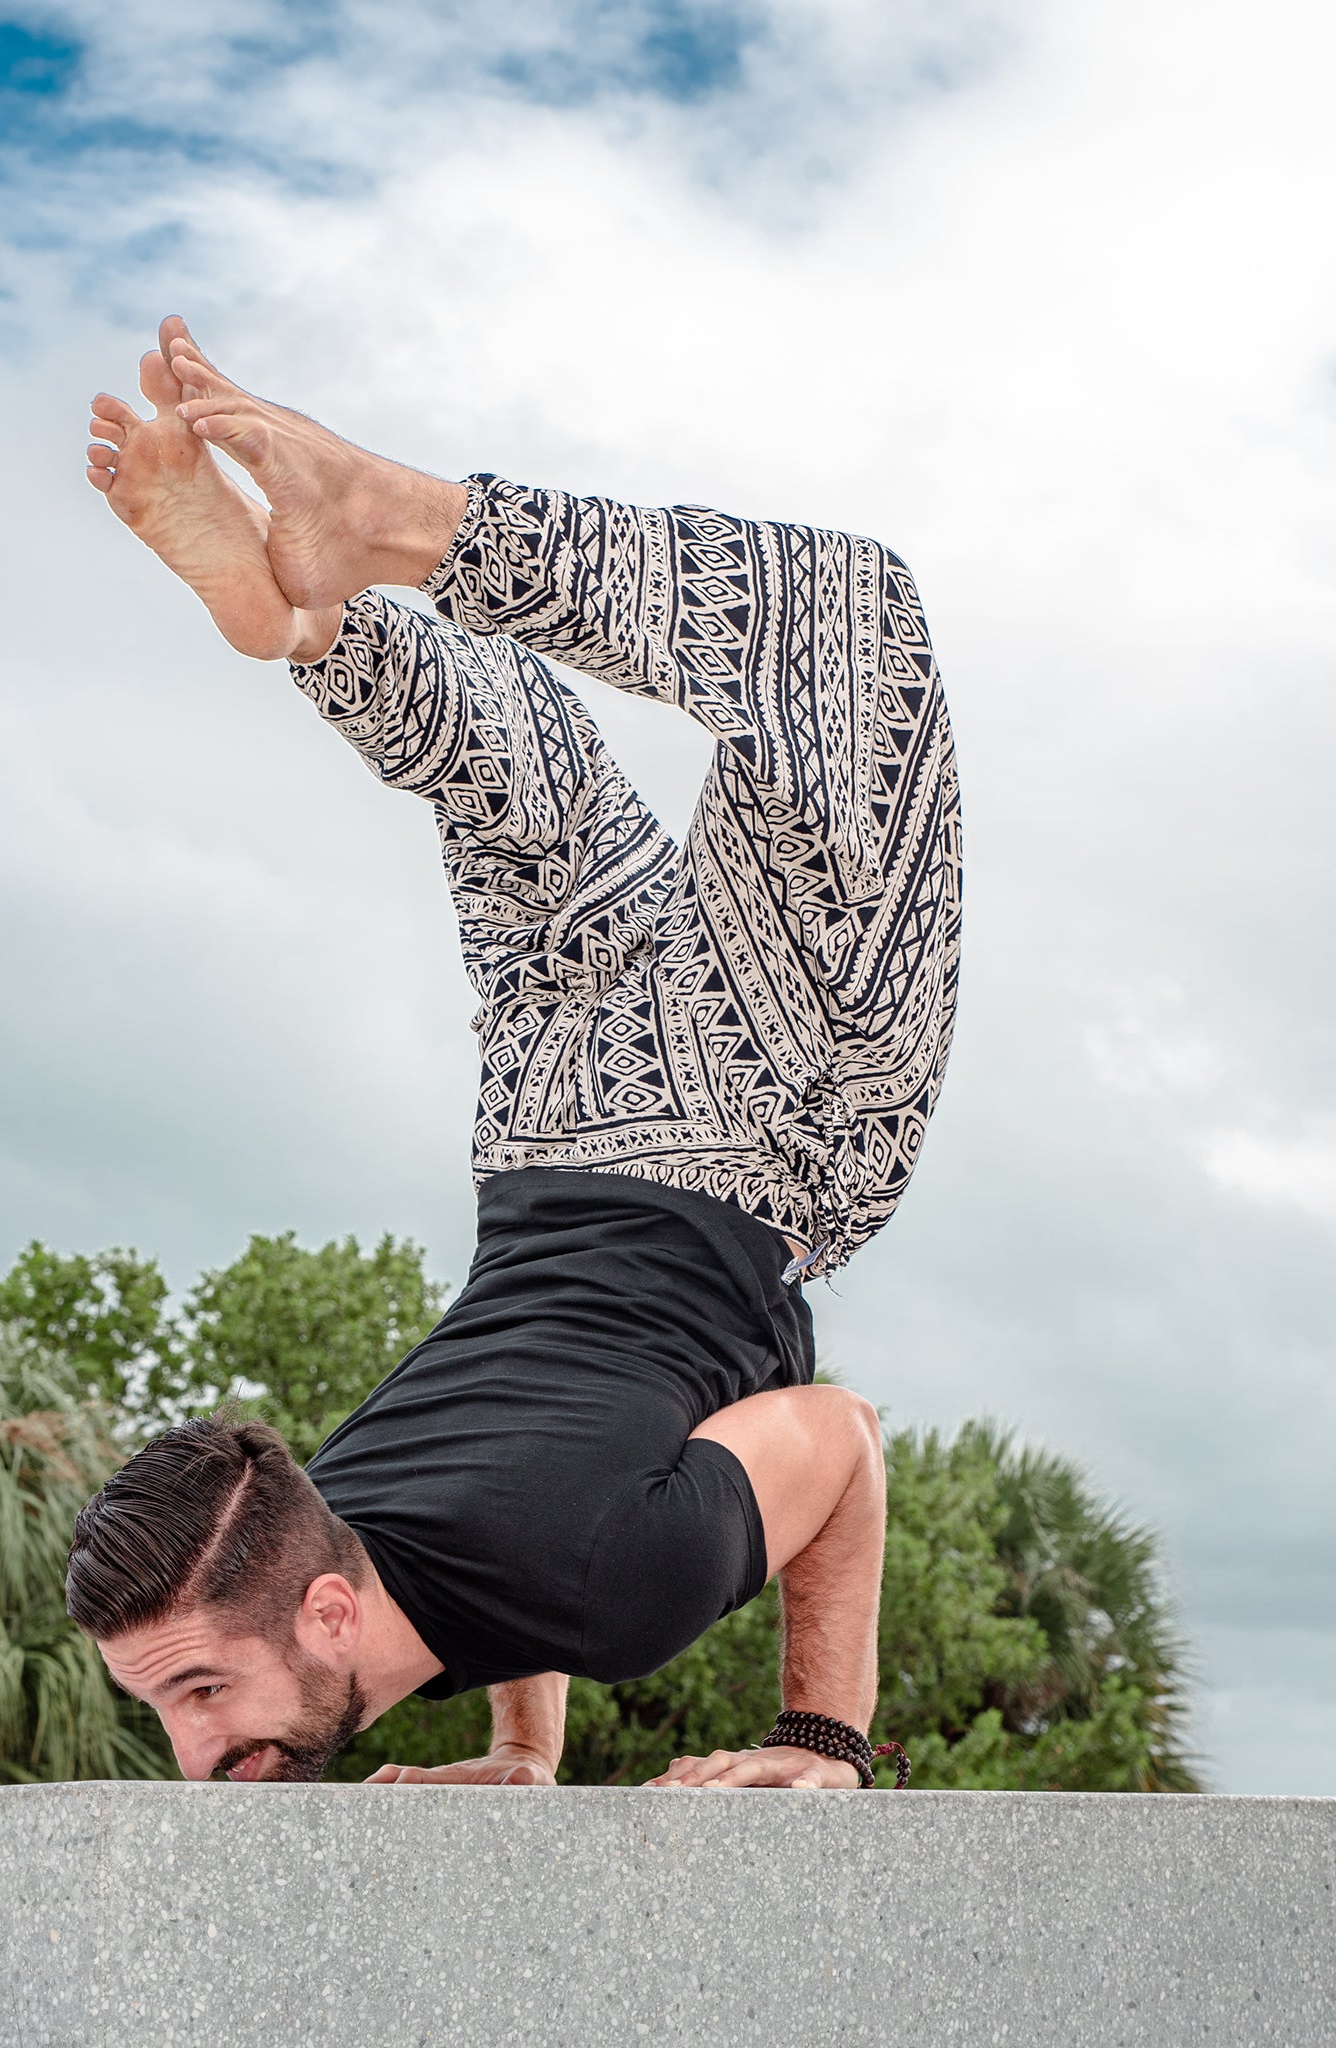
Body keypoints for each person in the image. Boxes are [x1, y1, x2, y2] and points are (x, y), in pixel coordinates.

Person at [65, 317, 960, 1792]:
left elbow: (835, 1441)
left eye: (200, 1691)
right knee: (514, 768)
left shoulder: (611, 1588)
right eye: (174, 1708)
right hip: (545, 1124)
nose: (193, 1750)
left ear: (325, 1609)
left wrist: (822, 1745)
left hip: (748, 1129)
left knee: (848, 634)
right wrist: (517, 1751)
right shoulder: (320, 1517)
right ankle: (321, 630)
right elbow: (509, 1533)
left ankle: (395, 528)